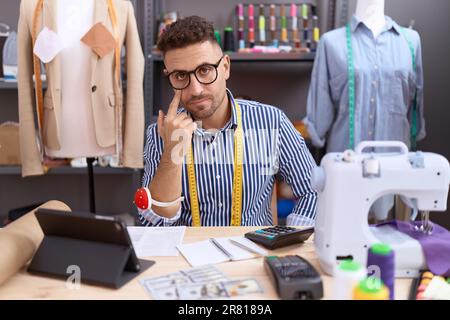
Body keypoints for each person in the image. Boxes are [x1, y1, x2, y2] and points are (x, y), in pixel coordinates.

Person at [138, 16, 317, 227]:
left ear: (225, 67)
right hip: (188, 258)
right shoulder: (160, 133)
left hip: (253, 256)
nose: (195, 89)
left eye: (204, 70)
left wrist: (285, 242)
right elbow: (154, 224)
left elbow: (313, 192)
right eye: (180, 76)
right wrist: (172, 152)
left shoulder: (271, 122)